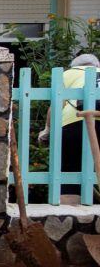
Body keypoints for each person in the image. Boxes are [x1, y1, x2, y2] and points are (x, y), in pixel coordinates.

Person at [40, 53, 100, 199]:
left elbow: (56, 106)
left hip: (74, 124)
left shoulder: (69, 74)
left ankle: (70, 213)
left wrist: (47, 130)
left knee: (69, 174)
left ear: (75, 66)